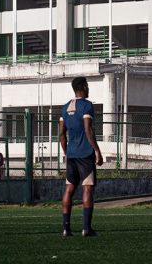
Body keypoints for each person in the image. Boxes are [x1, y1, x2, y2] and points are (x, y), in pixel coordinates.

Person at [60, 77, 104, 237]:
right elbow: (88, 129)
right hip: (85, 154)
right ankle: (86, 228)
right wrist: (97, 151)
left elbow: (61, 135)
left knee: (69, 189)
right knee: (87, 188)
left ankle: (66, 228)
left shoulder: (64, 108)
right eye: (88, 86)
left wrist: (66, 153)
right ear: (84, 87)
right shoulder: (87, 105)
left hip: (71, 155)